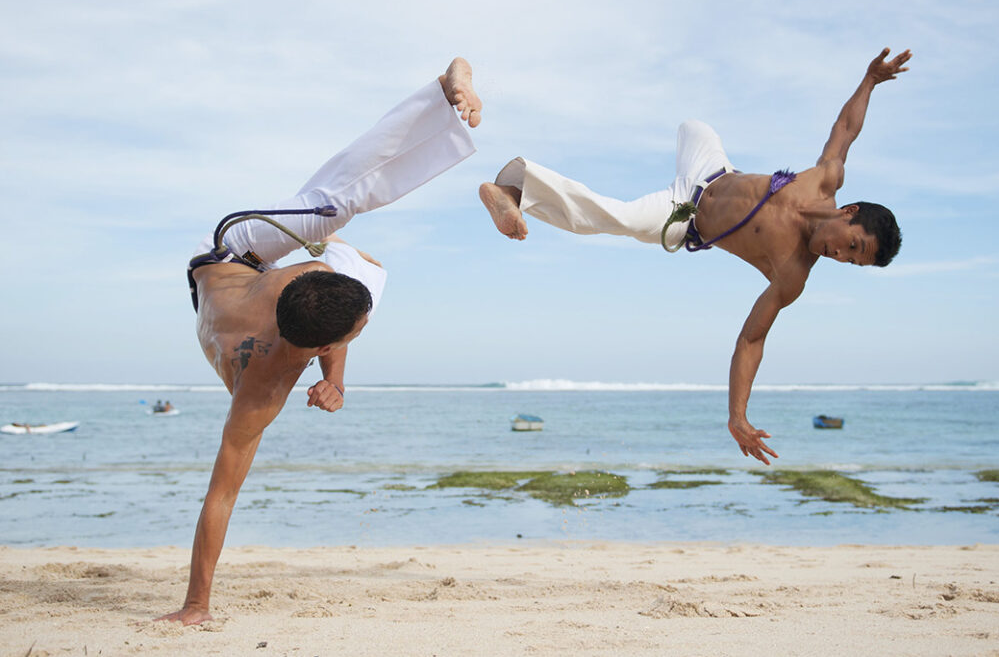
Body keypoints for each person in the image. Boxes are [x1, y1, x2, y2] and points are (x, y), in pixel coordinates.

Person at [158, 58, 482, 625]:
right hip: (236, 282)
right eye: (354, 335)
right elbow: (220, 497)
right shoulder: (274, 351)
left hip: (234, 250)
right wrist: (195, 607)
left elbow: (327, 329)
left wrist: (335, 378)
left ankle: (441, 89)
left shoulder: (285, 318)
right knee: (344, 229)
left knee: (337, 210)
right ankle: (432, 110)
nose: (357, 334)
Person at [479, 48, 909, 466]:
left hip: (684, 215)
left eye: (852, 262)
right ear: (849, 213)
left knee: (619, 218)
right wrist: (870, 79)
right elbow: (846, 128)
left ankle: (514, 192)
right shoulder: (824, 180)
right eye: (853, 246)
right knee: (692, 124)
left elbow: (752, 339)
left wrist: (737, 415)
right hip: (710, 170)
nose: (840, 255)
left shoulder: (792, 273)